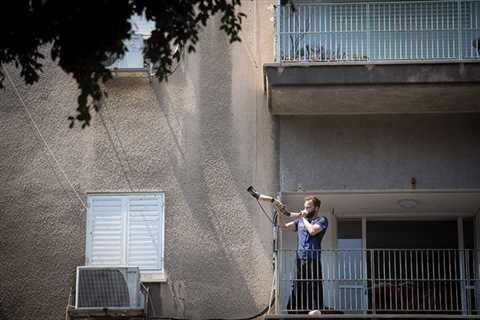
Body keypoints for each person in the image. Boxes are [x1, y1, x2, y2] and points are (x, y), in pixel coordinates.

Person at [274, 196, 328, 314]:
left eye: (308, 207)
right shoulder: (299, 222)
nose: (305, 209)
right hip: (300, 259)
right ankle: (296, 310)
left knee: (313, 284)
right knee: (298, 283)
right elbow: (283, 227)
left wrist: (303, 218)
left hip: (313, 259)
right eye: (304, 207)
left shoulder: (322, 220)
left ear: (316, 208)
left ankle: (315, 310)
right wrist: (279, 213)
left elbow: (313, 231)